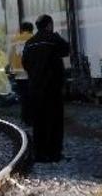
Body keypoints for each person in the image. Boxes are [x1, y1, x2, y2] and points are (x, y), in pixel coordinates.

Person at [22, 14, 70, 163]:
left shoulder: (29, 43)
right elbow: (66, 50)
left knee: (39, 122)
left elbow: (25, 63)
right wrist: (56, 35)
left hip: (35, 88)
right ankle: (54, 153)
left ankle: (40, 154)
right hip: (53, 87)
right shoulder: (53, 39)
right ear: (49, 25)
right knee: (55, 122)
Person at [7, 21, 34, 125]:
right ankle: (31, 117)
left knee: (23, 96)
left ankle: (24, 117)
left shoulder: (14, 40)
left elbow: (10, 56)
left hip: (18, 74)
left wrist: (11, 68)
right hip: (30, 72)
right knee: (31, 96)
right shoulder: (33, 38)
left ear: (21, 30)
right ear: (31, 29)